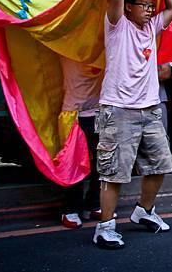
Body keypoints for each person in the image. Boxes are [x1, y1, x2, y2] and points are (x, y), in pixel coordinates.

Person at [92, 0, 172, 250]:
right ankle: (104, 228)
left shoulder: (152, 27)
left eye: (149, 5)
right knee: (114, 173)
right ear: (129, 8)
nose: (149, 9)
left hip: (150, 110)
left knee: (161, 164)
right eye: (143, 5)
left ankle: (143, 211)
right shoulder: (117, 26)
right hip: (118, 110)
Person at [59, 57, 104, 229]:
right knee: (74, 163)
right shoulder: (66, 46)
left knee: (102, 163)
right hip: (74, 114)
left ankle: (93, 204)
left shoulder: (103, 47)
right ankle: (70, 208)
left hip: (100, 113)